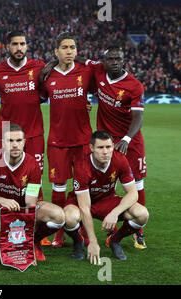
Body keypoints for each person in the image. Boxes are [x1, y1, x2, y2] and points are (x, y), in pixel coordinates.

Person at [0, 31, 51, 245]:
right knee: (2, 177)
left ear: (27, 46)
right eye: (14, 44)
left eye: (22, 44)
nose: (19, 48)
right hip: (7, 137)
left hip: (34, 135)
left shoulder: (38, 67)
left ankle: (33, 227)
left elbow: (51, 91)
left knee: (34, 181)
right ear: (7, 47)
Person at [78, 46, 147, 248]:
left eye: (118, 59)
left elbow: (138, 117)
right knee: (99, 180)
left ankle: (138, 231)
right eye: (111, 59)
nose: (115, 62)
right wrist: (54, 62)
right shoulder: (97, 69)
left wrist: (126, 138)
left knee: (137, 182)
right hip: (104, 140)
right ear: (104, 61)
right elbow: (79, 58)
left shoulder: (134, 85)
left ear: (124, 61)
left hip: (129, 141)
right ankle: (87, 225)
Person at [0, 123, 67, 262]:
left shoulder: (32, 164)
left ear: (24, 142)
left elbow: (30, 203)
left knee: (58, 216)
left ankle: (34, 242)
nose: (15, 145)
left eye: (18, 141)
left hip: (23, 211)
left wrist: (26, 244)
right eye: (10, 141)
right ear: (3, 143)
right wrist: (2, 201)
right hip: (0, 211)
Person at [39, 32, 95, 248]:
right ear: (56, 51)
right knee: (59, 187)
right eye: (64, 47)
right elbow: (39, 98)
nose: (69, 51)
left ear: (77, 51)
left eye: (72, 47)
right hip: (57, 141)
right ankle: (60, 232)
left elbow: (103, 68)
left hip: (82, 141)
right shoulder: (47, 76)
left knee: (83, 188)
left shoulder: (86, 71)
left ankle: (85, 230)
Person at [66, 130, 149, 263]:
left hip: (107, 201)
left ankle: (115, 240)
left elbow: (133, 193)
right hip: (82, 203)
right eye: (100, 147)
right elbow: (85, 207)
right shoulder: (82, 166)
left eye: (108, 147)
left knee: (142, 214)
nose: (105, 152)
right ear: (91, 148)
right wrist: (93, 242)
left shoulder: (120, 159)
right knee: (68, 217)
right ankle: (78, 241)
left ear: (113, 146)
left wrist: (115, 213)